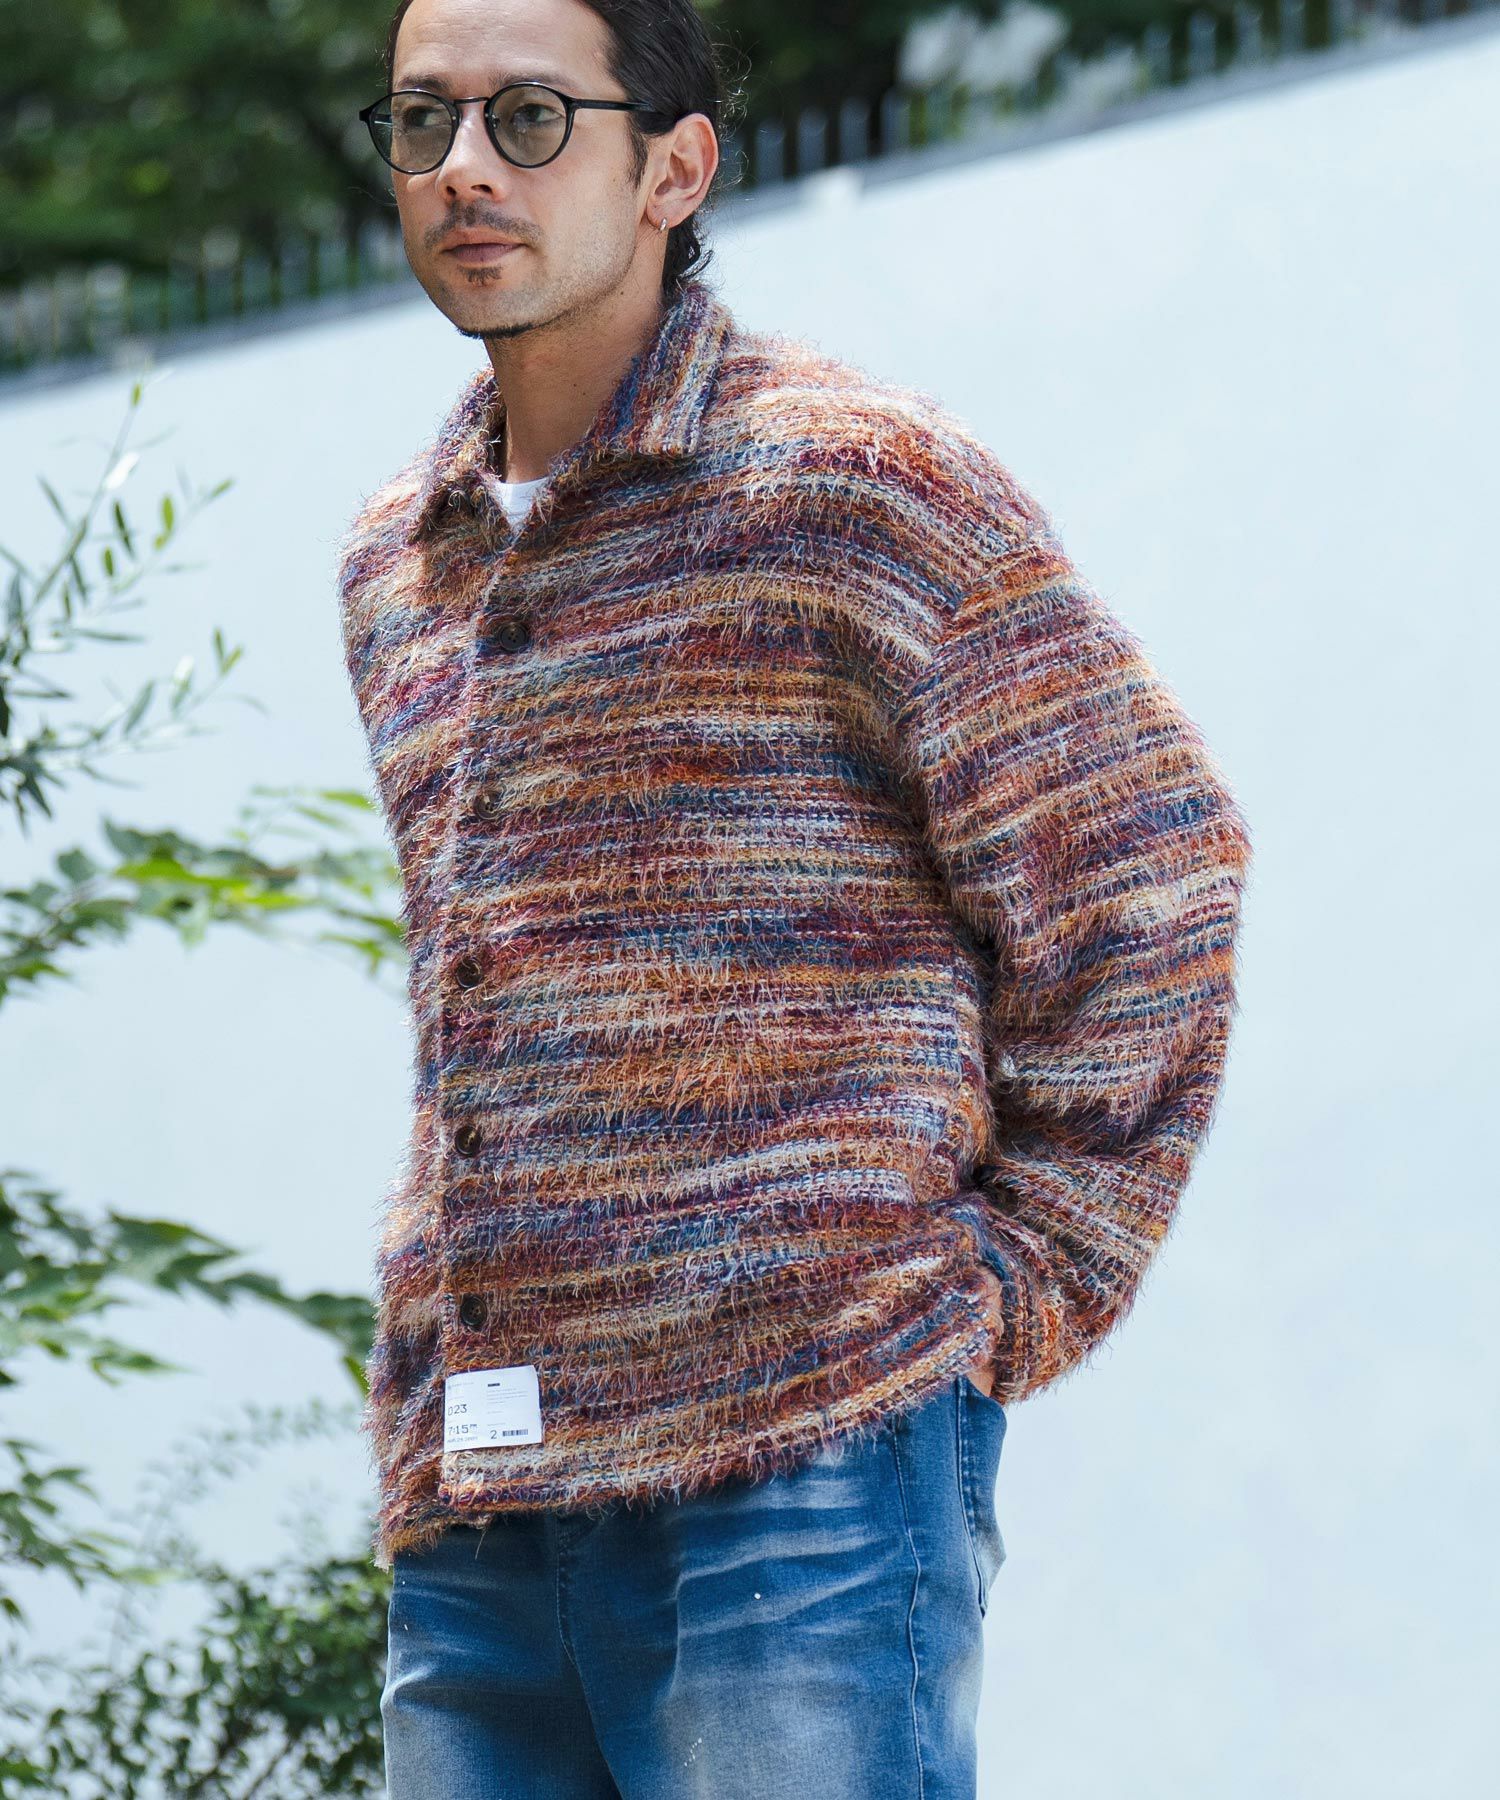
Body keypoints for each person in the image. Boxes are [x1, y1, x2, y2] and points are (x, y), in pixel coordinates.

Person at [337, 1, 1254, 1794]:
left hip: (807, 1470)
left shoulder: (853, 482)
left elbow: (1149, 862)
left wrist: (1009, 1282)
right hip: (484, 1505)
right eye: (421, 120)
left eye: (531, 118)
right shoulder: (400, 562)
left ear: (673, 167)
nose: (463, 167)